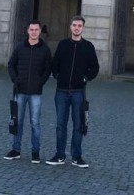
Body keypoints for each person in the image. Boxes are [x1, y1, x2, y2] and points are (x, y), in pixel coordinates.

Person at [46, 15, 99, 169]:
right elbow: (55, 63)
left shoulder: (88, 46)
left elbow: (95, 67)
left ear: (83, 28)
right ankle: (59, 155)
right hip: (61, 91)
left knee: (78, 125)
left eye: (79, 26)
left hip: (78, 92)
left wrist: (85, 78)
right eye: (74, 25)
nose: (76, 28)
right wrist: (57, 76)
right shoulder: (63, 44)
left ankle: (76, 156)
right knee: (60, 125)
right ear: (70, 27)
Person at [4, 20, 53, 164]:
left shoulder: (45, 49)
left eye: (36, 29)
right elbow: (11, 65)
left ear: (40, 31)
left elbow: (48, 68)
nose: (34, 32)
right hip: (20, 90)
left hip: (35, 92)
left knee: (35, 123)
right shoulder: (20, 47)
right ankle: (16, 149)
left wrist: (41, 81)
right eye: (31, 29)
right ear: (28, 31)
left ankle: (35, 152)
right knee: (17, 121)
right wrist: (15, 79)